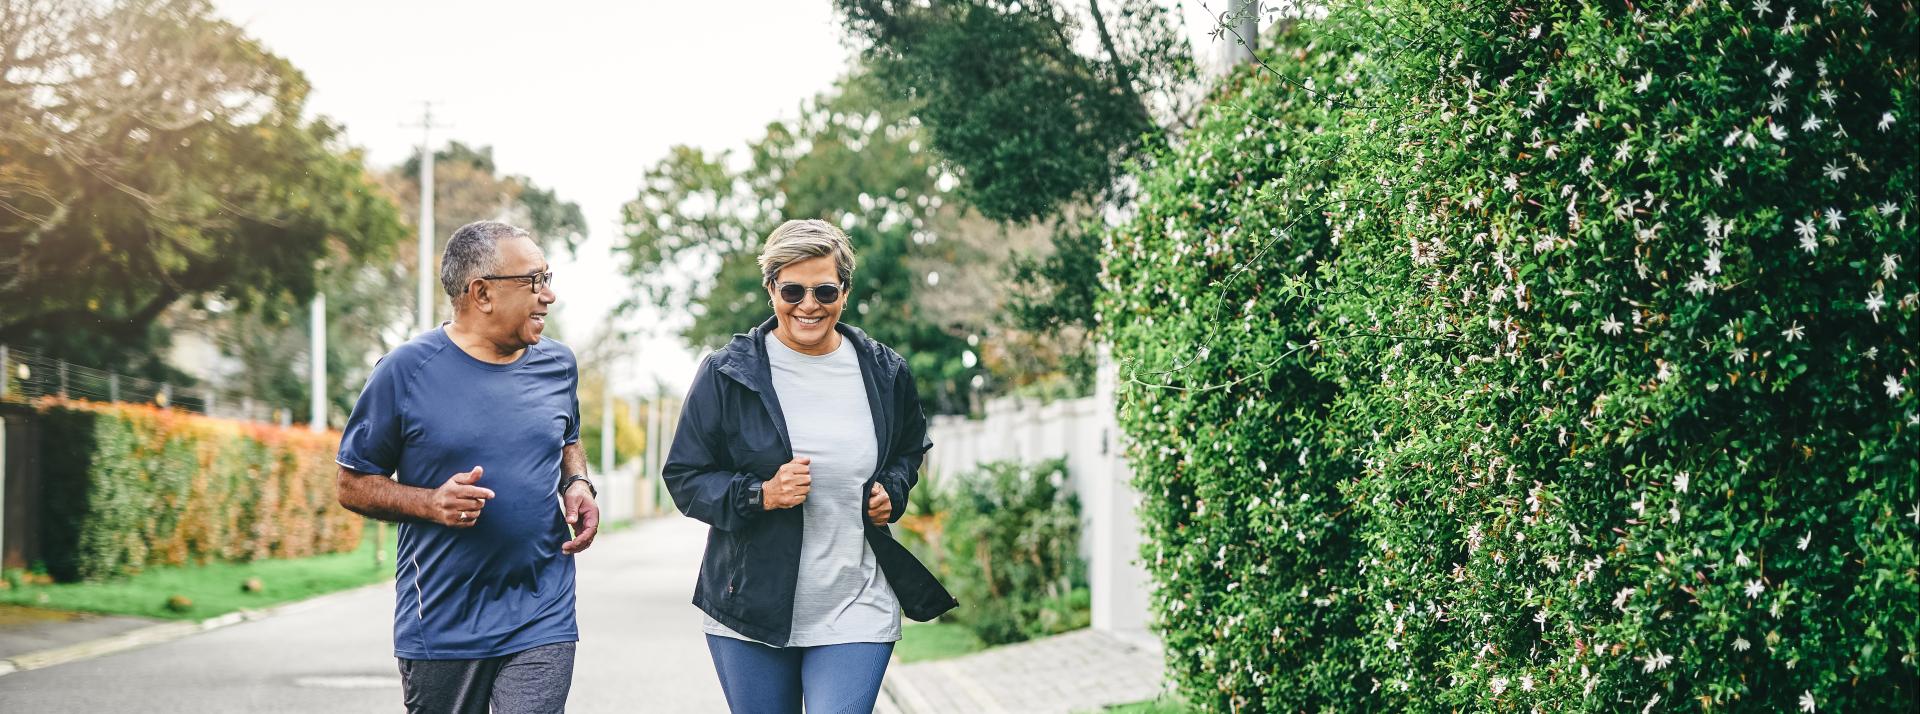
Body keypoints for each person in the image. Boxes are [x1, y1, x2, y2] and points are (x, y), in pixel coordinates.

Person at [664, 218, 958, 713]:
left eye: (824, 290)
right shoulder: (726, 372)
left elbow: (909, 450)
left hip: (857, 601)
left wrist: (893, 489)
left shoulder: (885, 372)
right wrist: (760, 494)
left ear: (845, 291)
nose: (808, 305)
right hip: (750, 607)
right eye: (792, 290)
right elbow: (685, 477)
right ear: (771, 288)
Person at [335, 220, 600, 714]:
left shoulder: (557, 364)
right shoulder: (405, 371)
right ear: (481, 293)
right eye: (534, 281)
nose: (549, 296)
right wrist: (430, 503)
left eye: (548, 277)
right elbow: (352, 484)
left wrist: (579, 481)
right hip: (442, 620)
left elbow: (567, 437)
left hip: (543, 606)